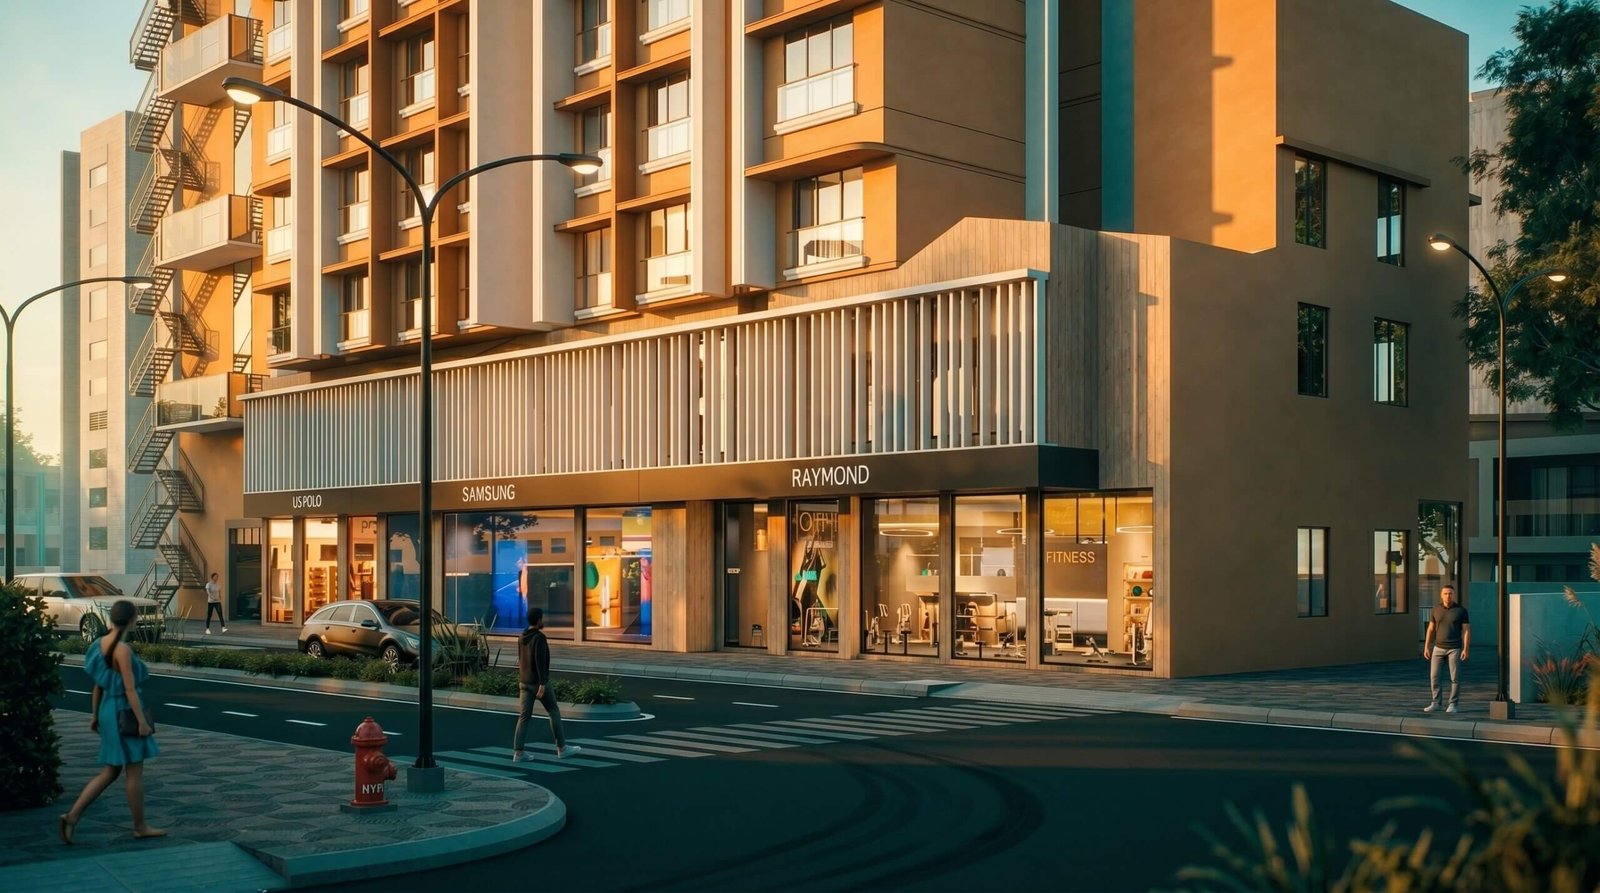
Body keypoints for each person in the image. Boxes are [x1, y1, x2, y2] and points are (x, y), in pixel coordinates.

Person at [59, 600, 166, 844]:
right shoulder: (123, 650)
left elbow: (98, 684)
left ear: (111, 619)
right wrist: (142, 722)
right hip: (124, 710)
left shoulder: (99, 644)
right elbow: (129, 688)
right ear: (133, 619)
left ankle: (72, 816)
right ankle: (140, 826)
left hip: (107, 709)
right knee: (134, 770)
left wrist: (95, 715)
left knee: (110, 770)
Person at [511, 608, 581, 762]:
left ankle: (519, 752)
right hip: (538, 683)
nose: (543, 621)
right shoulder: (539, 638)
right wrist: (542, 683)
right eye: (542, 618)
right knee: (553, 711)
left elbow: (520, 658)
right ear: (538, 620)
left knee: (524, 717)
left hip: (524, 682)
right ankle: (562, 748)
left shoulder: (521, 637)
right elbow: (540, 661)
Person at [1422, 584, 1470, 714]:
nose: (1448, 596)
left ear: (1454, 595)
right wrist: (1426, 646)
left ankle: (1453, 704)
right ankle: (1436, 703)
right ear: (1441, 595)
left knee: (1455, 678)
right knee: (1434, 677)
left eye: (1450, 593)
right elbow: (1431, 629)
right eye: (1445, 593)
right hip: (1438, 648)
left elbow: (1466, 631)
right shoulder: (1436, 609)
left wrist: (1466, 649)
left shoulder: (1461, 611)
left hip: (1454, 648)